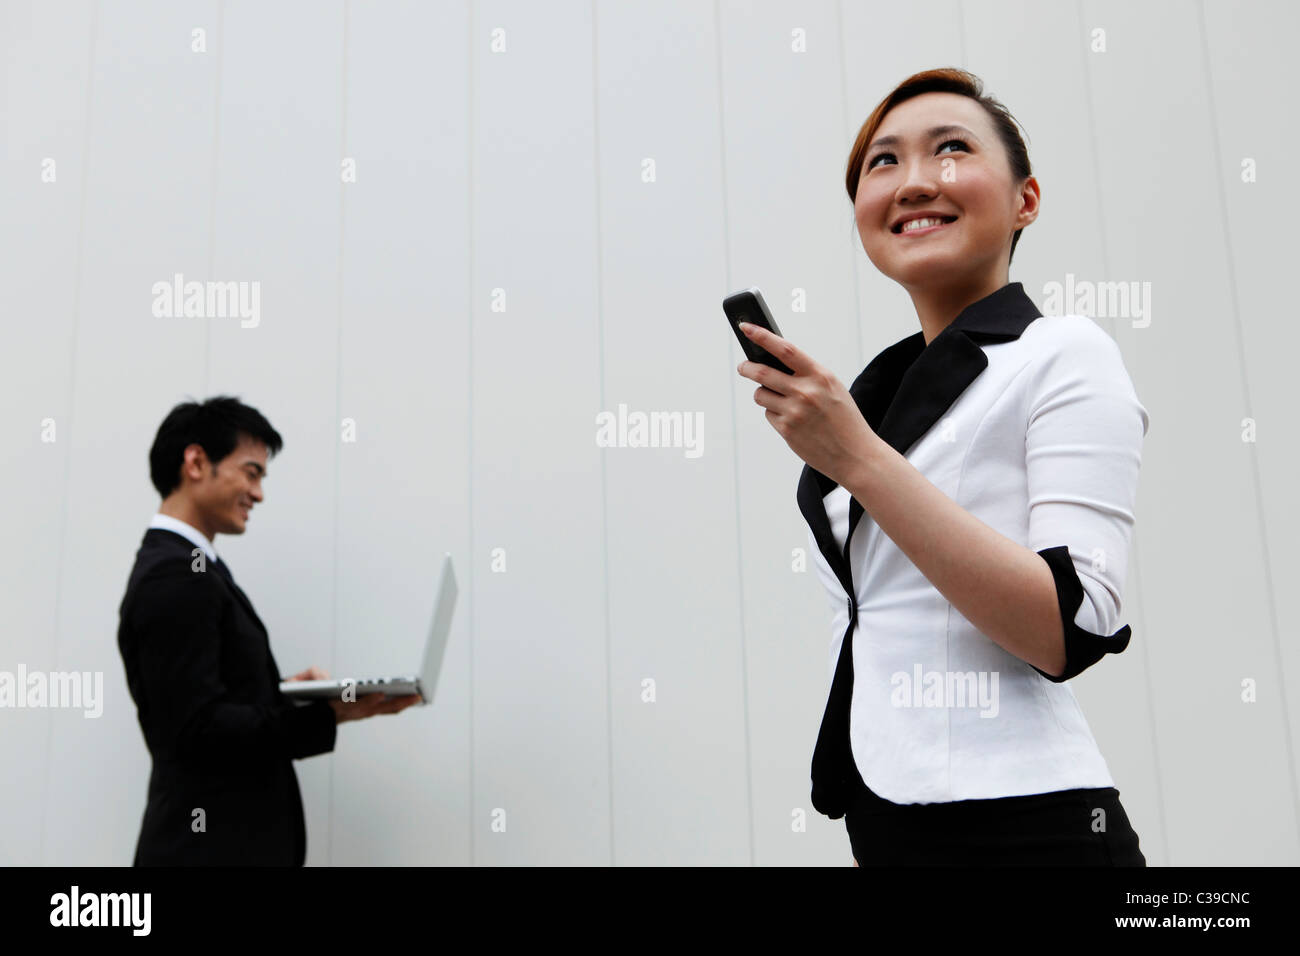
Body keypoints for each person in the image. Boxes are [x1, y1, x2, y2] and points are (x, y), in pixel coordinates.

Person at [736, 68, 1148, 865]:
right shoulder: (873, 391)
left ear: (1026, 200)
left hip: (1023, 824)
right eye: (882, 163)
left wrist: (856, 457)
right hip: (887, 819)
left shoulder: (1063, 352)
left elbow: (1072, 623)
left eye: (951, 150)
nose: (915, 180)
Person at [117, 396, 421, 866]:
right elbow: (196, 732)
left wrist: (280, 696)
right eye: (252, 472)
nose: (258, 494)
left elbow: (207, 703)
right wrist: (329, 714)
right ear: (196, 462)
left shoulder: (192, 568)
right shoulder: (175, 576)